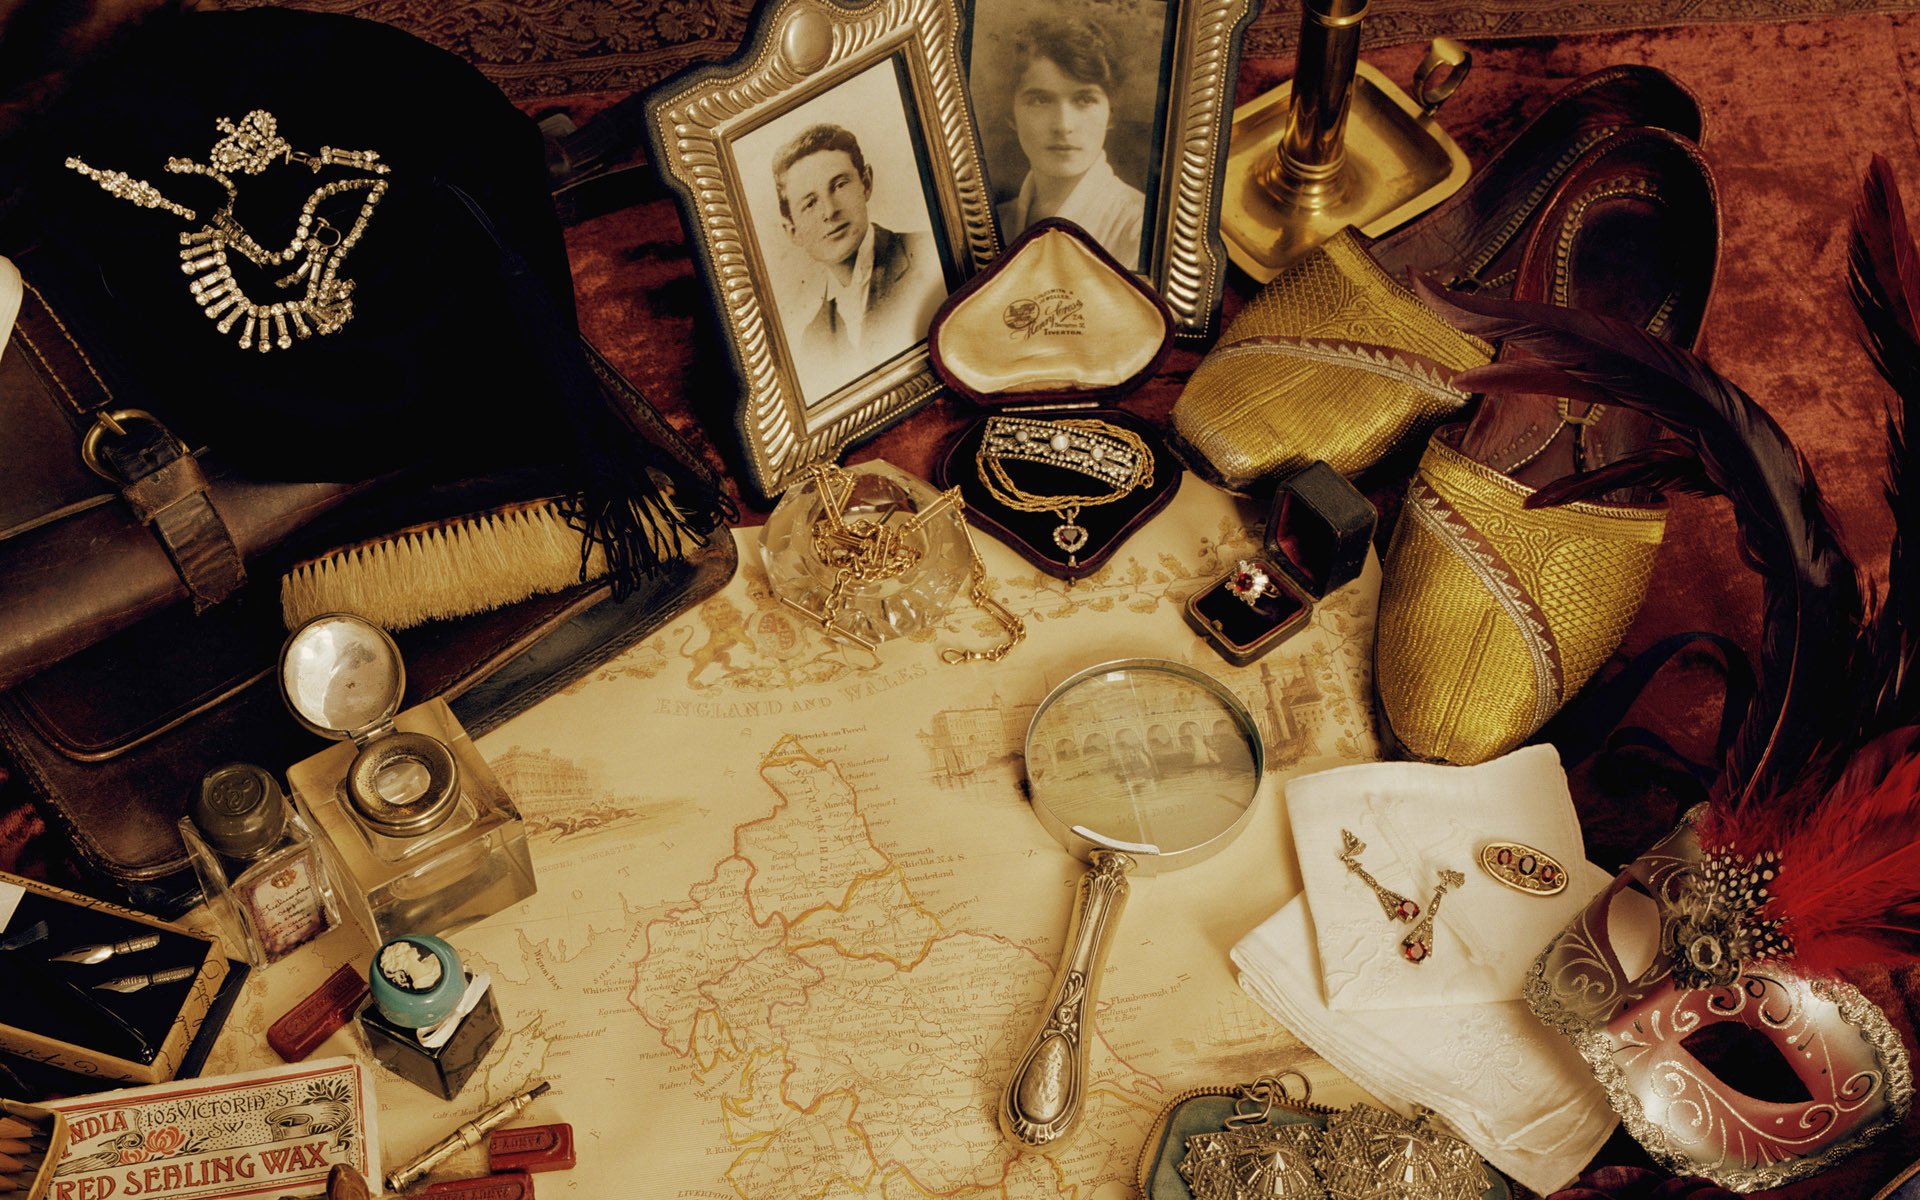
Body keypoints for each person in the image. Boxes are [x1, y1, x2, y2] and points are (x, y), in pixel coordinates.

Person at [772, 122, 944, 374]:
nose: (830, 211)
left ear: (866, 182)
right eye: (809, 204)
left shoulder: (930, 255)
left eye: (839, 185)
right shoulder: (814, 339)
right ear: (793, 231)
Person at [996, 16, 1147, 268]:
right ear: (1010, 114)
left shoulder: (1141, 230)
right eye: (1040, 100)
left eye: (1084, 100)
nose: (1063, 125)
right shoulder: (993, 223)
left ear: (1111, 112)